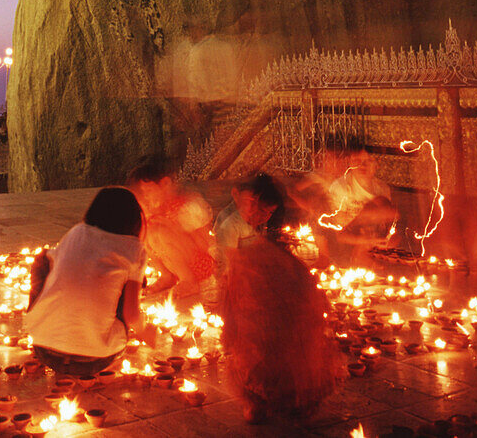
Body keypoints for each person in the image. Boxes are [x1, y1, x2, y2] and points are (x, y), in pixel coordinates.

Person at [221, 182, 342, 423]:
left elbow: (235, 325)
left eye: (263, 210)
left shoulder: (248, 268)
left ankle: (260, 402)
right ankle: (299, 401)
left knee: (250, 346)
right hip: (307, 372)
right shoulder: (290, 265)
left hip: (274, 361)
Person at [24, 186, 146, 376]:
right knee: (129, 280)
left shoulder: (76, 232)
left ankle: (45, 318)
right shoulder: (134, 248)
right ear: (135, 220)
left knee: (44, 259)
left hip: (43, 349)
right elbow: (132, 316)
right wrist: (147, 330)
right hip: (96, 359)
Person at [127, 158, 214, 295]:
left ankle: (189, 281)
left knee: (159, 232)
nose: (146, 197)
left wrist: (175, 230)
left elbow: (206, 245)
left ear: (165, 184)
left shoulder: (189, 206)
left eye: (148, 191)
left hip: (201, 266)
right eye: (142, 193)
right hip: (178, 264)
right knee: (145, 231)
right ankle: (167, 276)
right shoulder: (158, 211)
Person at [214, 173, 285, 270]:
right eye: (250, 201)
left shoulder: (259, 220)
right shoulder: (230, 224)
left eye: (270, 213)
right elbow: (227, 264)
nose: (265, 216)